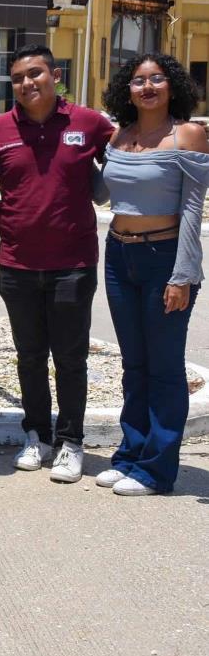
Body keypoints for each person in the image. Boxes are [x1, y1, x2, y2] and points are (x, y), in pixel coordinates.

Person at [0, 43, 114, 483]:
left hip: (73, 264)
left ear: (55, 75)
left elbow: (127, 159)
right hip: (16, 265)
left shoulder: (88, 124)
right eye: (17, 78)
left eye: (35, 73)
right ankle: (36, 435)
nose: (26, 83)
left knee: (70, 358)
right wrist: (3, 214)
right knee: (29, 357)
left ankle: (71, 441)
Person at [96, 54, 209, 496]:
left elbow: (192, 209)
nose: (148, 87)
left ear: (171, 85)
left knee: (163, 368)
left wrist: (183, 273)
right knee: (134, 364)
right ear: (127, 89)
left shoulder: (189, 135)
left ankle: (156, 470)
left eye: (157, 79)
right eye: (139, 80)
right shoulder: (119, 137)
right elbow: (104, 193)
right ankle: (130, 455)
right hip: (119, 256)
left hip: (166, 259)